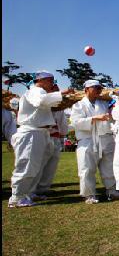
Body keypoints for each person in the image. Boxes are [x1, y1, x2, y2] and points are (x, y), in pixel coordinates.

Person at [8, 71, 74, 208]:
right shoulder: (35, 91)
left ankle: (30, 193)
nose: (52, 83)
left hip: (41, 132)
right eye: (50, 80)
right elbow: (41, 101)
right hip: (31, 132)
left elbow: (49, 104)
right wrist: (61, 93)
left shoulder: (41, 93)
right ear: (41, 80)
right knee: (27, 165)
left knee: (37, 166)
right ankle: (17, 197)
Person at [70, 80, 119, 204]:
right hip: (87, 139)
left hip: (106, 138)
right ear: (86, 89)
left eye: (99, 88)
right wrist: (93, 118)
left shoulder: (104, 103)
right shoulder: (78, 105)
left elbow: (113, 116)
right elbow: (75, 122)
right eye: (95, 88)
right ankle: (89, 194)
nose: (98, 90)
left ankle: (112, 190)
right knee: (86, 167)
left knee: (109, 166)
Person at [32, 85, 69, 198]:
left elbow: (63, 124)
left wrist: (62, 132)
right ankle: (32, 189)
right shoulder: (42, 105)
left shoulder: (60, 108)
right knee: (39, 163)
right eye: (53, 90)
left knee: (52, 164)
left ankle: (44, 187)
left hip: (55, 137)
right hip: (42, 135)